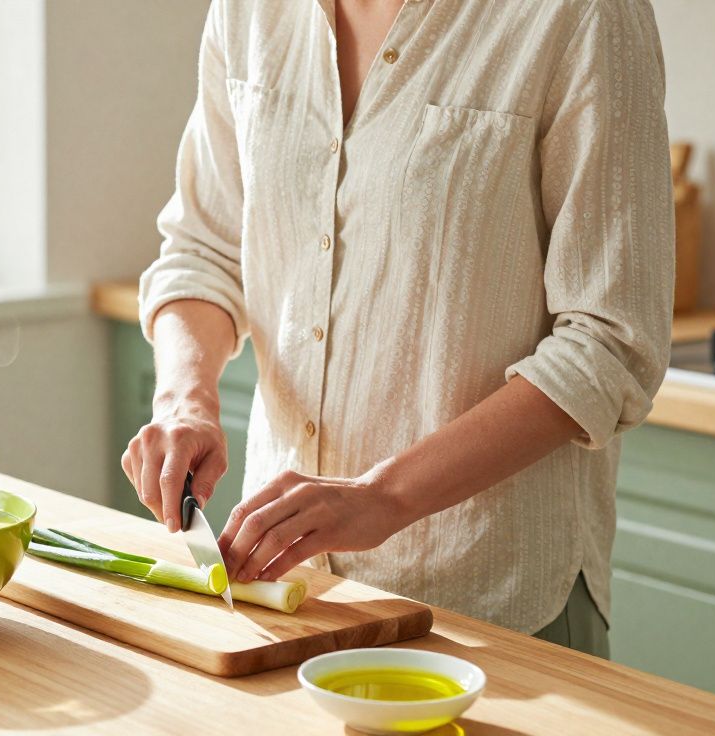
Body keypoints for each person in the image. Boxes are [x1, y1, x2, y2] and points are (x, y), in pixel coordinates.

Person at [122, 0, 674, 657]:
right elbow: (202, 250)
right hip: (287, 591)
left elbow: (611, 342)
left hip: (491, 600)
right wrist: (187, 402)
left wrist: (384, 496)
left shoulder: (581, 15)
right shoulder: (249, 12)